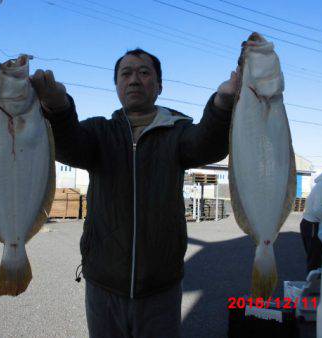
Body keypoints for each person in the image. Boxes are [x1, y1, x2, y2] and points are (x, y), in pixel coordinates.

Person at [30, 44, 252, 337]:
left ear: (159, 86)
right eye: (126, 73)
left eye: (144, 72)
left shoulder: (178, 132)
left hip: (161, 288)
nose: (134, 79)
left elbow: (207, 143)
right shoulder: (99, 133)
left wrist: (223, 102)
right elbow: (68, 143)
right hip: (103, 285)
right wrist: (58, 108)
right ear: (117, 86)